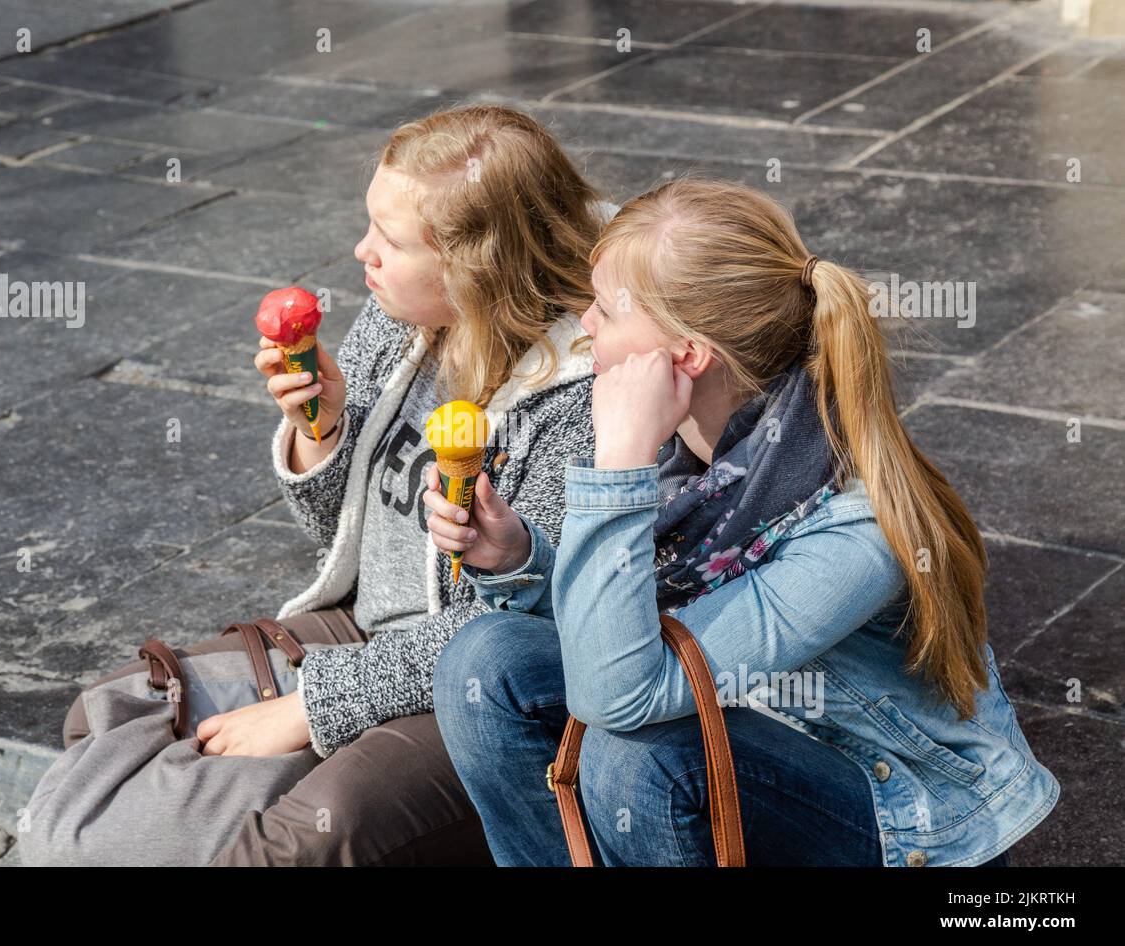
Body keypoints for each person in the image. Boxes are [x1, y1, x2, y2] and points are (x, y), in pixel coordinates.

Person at [429, 176, 1060, 867]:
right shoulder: (690, 455)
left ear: (687, 356)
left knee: (643, 757)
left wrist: (616, 473)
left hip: (900, 819)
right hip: (745, 739)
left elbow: (619, 690)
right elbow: (632, 640)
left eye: (607, 310)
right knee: (488, 661)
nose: (584, 325)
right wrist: (523, 560)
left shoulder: (853, 532)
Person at [53, 105, 616, 866]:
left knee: (304, 838)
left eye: (390, 239)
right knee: (113, 711)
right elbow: (343, 541)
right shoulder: (400, 323)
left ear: (474, 264)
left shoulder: (578, 397)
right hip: (364, 627)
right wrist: (323, 428)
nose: (363, 252)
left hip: (485, 692)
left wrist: (312, 707)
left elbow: (518, 633)